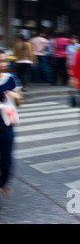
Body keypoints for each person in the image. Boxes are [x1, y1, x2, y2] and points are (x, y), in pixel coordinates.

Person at [0, 49, 23, 199]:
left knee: (7, 161)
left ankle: (3, 182)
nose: (3, 64)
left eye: (5, 61)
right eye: (0, 61)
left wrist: (16, 96)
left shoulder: (11, 79)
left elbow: (20, 102)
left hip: (6, 127)